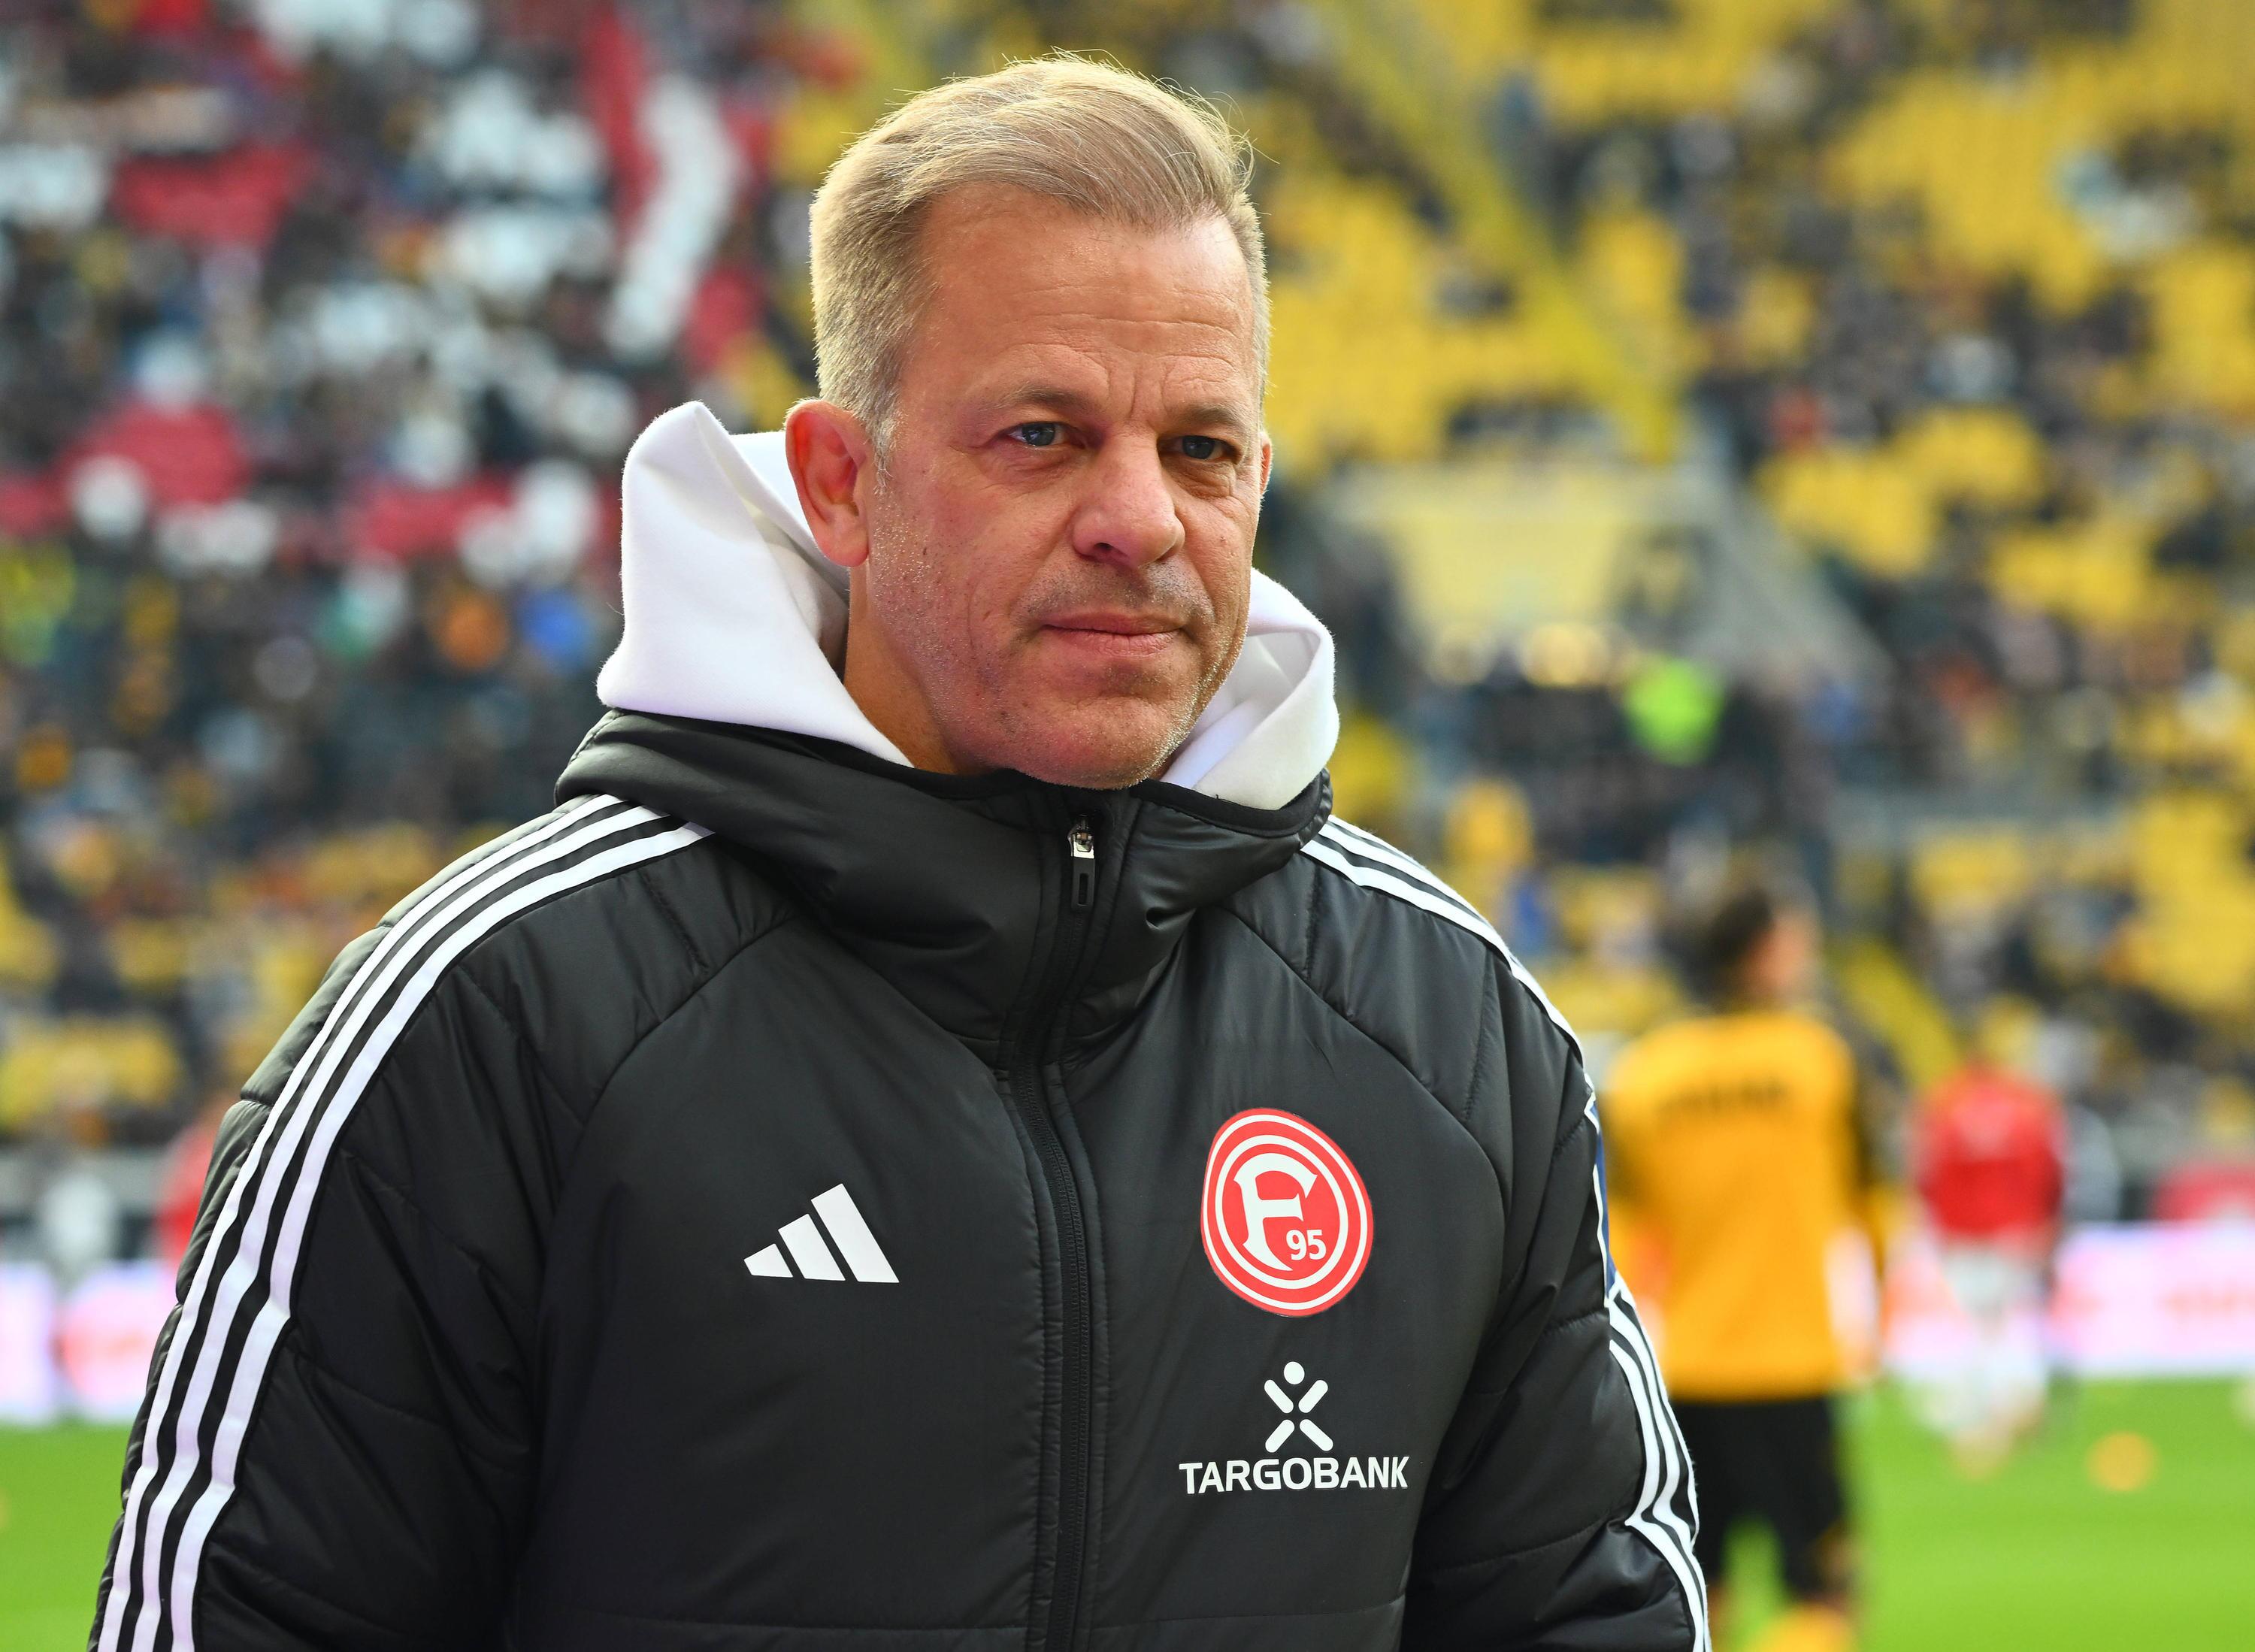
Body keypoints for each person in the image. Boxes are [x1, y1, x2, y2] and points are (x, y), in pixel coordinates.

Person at [92, 58, 1705, 1650]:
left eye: (1203, 448)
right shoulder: (495, 1018)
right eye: (1043, 435)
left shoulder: (1451, 1028)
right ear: (841, 484)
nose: (1142, 518)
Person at [1600, 883, 1887, 1652]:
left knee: (1700, 1589)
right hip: (1792, 1363)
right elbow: (1874, 1201)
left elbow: (1618, 1230)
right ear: (1763, 955)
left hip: (1687, 1370)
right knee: (1826, 1595)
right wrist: (1882, 1310)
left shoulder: (1648, 1072)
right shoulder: (1818, 1059)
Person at [1912, 1033, 2066, 1466]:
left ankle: (1981, 1411)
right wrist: (2045, 1223)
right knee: (2012, 1319)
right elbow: (2047, 1171)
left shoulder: (1944, 1103)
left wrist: (1938, 1224)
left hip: (1963, 1232)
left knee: (1976, 1322)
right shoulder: (2028, 1104)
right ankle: (2018, 1405)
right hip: (2016, 1229)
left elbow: (1929, 1173)